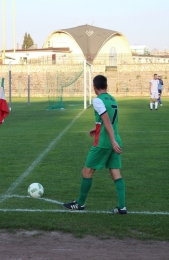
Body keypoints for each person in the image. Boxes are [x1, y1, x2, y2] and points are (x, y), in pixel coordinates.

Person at [63, 75, 126, 214]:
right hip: (115, 138)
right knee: (115, 173)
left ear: (94, 87)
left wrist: (111, 141)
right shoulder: (112, 99)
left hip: (105, 142)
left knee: (87, 171)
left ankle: (80, 204)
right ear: (106, 86)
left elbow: (107, 120)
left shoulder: (98, 100)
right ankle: (122, 207)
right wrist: (96, 128)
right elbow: (109, 120)